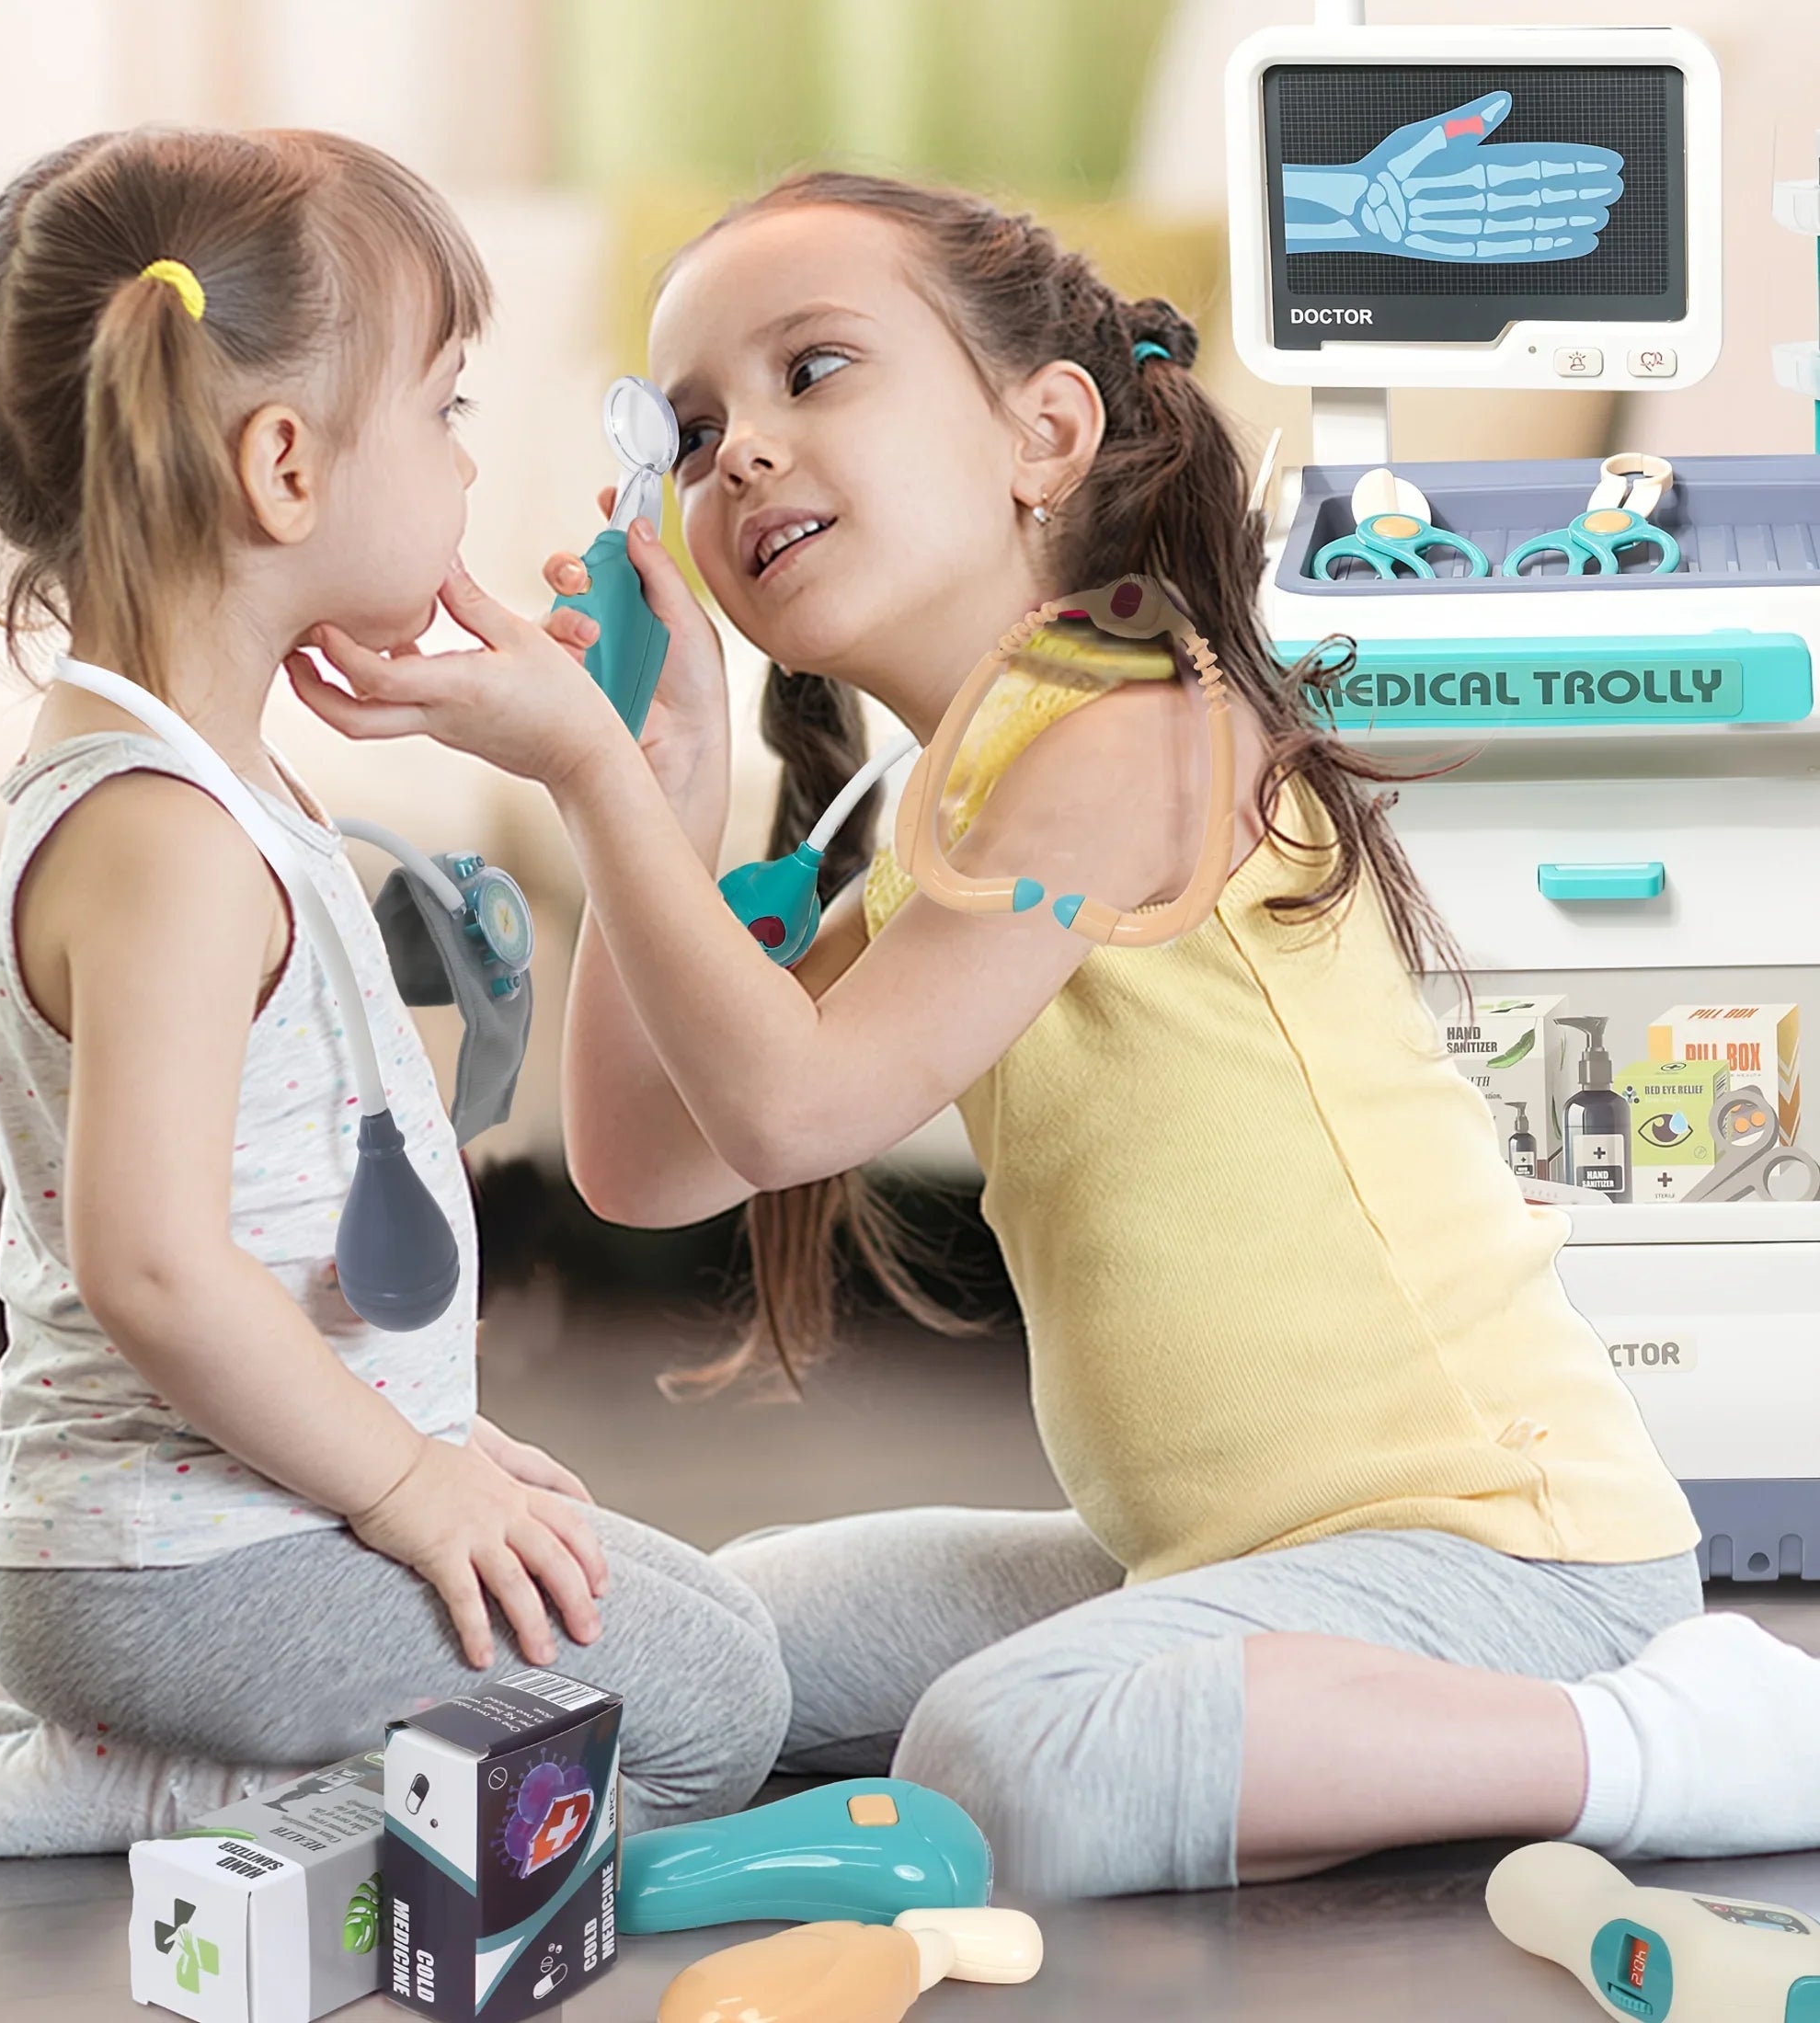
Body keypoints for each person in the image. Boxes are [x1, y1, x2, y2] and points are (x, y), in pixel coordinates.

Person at [291, 168, 1820, 1897]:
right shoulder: (961, 798)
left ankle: (1674, 1742)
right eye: (697, 429)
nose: (742, 456)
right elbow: (651, 1167)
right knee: (730, 1620)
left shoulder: (1138, 732)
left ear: (1047, 428)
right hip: (1213, 1556)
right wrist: (653, 790)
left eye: (816, 371)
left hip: (1507, 1561)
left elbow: (793, 1114)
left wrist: (582, 765)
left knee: (1006, 1753)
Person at [0, 126, 786, 1862]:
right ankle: (157, 1773)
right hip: (172, 1577)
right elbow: (151, 1263)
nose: (462, 459)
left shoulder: (203, 779)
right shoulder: (166, 840)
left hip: (207, 1541)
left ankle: (114, 1736)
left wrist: (431, 1431)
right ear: (282, 467)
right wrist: (410, 1480)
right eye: (446, 408)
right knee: (715, 1726)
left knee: (716, 1635)